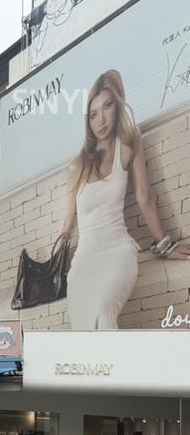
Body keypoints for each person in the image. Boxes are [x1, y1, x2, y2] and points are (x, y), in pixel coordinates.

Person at [55, 70, 190, 330]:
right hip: (84, 261)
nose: (101, 120)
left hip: (117, 251)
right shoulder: (78, 165)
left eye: (107, 107)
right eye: (93, 114)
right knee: (83, 329)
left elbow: (144, 196)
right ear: (88, 120)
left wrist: (165, 246)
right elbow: (69, 215)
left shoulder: (129, 143)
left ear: (117, 106)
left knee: (104, 314)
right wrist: (60, 242)